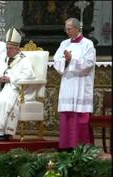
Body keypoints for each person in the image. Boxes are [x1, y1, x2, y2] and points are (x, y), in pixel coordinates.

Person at [53, 18, 96, 150]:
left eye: (69, 29)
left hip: (81, 85)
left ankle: (82, 147)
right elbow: (56, 60)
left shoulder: (88, 44)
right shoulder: (64, 44)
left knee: (80, 115)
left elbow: (88, 64)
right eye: (66, 29)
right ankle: (66, 145)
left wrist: (72, 59)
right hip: (67, 84)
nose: (67, 31)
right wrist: (65, 61)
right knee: (67, 114)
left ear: (78, 28)